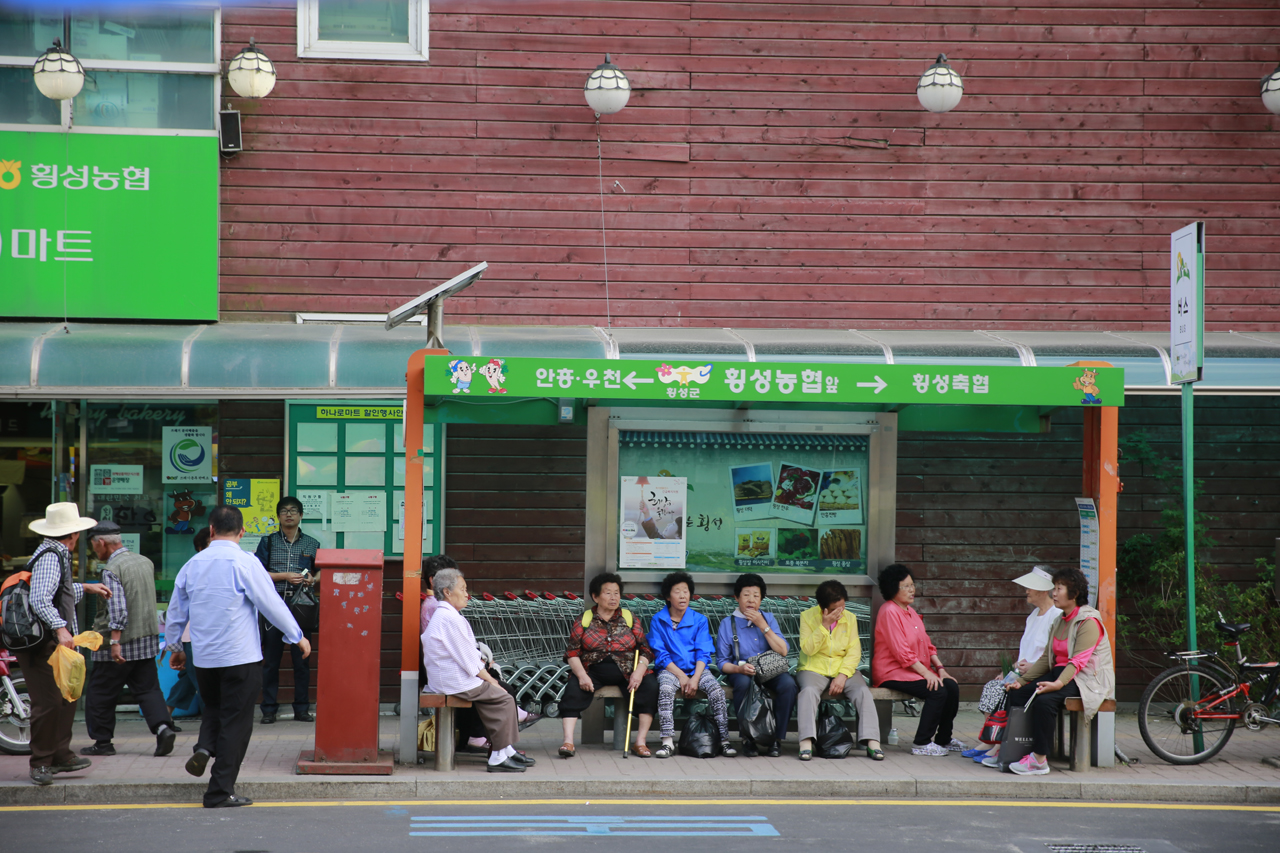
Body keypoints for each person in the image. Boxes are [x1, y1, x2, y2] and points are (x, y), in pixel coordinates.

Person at [166, 505, 310, 808]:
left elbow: (176, 610)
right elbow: (270, 602)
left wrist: (175, 647)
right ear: (242, 532)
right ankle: (219, 791)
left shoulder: (193, 563)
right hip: (240, 657)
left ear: (212, 529)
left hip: (204, 659)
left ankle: (205, 747)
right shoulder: (245, 562)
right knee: (237, 723)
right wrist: (296, 636)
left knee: (215, 709)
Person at [16, 503, 112, 786]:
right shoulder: (51, 556)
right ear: (74, 534)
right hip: (42, 643)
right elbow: (40, 599)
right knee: (48, 702)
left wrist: (87, 587)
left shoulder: (55, 554)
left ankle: (59, 754)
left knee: (65, 697)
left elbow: (58, 593)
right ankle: (41, 762)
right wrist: (60, 628)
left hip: (51, 643)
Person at [996, 566, 1116, 776]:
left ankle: (1040, 759)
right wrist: (1022, 682)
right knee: (1016, 693)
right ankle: (1013, 749)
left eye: (1060, 588)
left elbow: (1077, 662)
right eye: (1055, 588)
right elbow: (1046, 659)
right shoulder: (1059, 620)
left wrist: (1057, 684)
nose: (1054, 593)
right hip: (1060, 674)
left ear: (1075, 594)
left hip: (1084, 680)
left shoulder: (1088, 622)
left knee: (1045, 700)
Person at [80, 521, 177, 758]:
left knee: (100, 692)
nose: (95, 551)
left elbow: (118, 608)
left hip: (119, 643)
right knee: (148, 689)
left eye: (94, 546)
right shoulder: (145, 562)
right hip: (146, 639)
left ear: (101, 542)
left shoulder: (111, 569)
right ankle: (163, 728)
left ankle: (103, 743)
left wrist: (114, 642)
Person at [422, 568, 532, 773]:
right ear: (447, 592)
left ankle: (505, 750)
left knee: (501, 695)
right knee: (504, 697)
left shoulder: (445, 615)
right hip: (453, 681)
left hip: (448, 678)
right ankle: (499, 756)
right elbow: (469, 659)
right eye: (462, 589)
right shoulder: (449, 618)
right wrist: (490, 680)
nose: (466, 594)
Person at [964, 566, 1062, 763]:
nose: (1026, 590)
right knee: (992, 687)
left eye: (1030, 587)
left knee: (1005, 691)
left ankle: (1000, 744)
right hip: (1022, 671)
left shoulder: (1056, 615)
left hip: (1040, 673)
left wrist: (1031, 667)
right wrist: (1008, 671)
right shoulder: (1032, 616)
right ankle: (992, 739)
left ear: (1043, 590)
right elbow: (1024, 652)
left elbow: (1052, 654)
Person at [558, 572, 659, 758]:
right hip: (593, 669)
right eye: (608, 593)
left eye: (617, 593)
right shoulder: (584, 619)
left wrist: (639, 672)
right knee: (573, 690)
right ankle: (568, 742)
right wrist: (581, 675)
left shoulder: (629, 618)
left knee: (650, 686)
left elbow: (645, 650)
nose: (614, 597)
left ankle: (640, 742)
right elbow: (572, 653)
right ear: (596, 597)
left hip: (628, 670)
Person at [872, 563, 963, 756]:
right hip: (892, 671)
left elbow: (927, 644)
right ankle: (921, 743)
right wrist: (926, 674)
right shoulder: (889, 611)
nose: (912, 589)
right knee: (937, 690)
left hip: (913, 670)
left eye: (912, 585)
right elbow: (901, 652)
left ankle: (943, 740)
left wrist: (940, 669)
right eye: (906, 586)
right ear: (892, 588)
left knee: (951, 687)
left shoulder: (911, 612)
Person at [647, 571, 737, 759]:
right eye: (677, 591)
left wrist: (695, 678)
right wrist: (681, 676)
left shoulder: (699, 620)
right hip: (670, 670)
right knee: (664, 689)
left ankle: (724, 741)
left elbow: (703, 652)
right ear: (667, 596)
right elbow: (660, 654)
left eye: (686, 591)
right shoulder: (658, 620)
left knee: (717, 691)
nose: (682, 596)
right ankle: (667, 742)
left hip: (697, 670)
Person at [796, 579, 883, 761]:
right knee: (808, 692)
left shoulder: (850, 618)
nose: (841, 611)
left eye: (843, 606)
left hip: (843, 669)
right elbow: (808, 649)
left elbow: (854, 651)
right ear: (823, 608)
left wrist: (843, 675)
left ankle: (873, 742)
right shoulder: (807, 616)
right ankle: (806, 742)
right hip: (813, 668)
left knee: (862, 691)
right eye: (836, 608)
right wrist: (824, 626)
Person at [715, 572, 797, 757]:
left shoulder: (768, 618)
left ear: (761, 599)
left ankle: (776, 739)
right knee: (743, 684)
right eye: (746, 595)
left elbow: (783, 650)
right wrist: (738, 669)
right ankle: (748, 738)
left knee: (788, 685)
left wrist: (763, 626)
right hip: (741, 670)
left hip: (769, 670)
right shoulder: (728, 624)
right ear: (736, 597)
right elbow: (722, 663)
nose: (751, 600)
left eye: (756, 596)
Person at [253, 496, 320, 724]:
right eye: (284, 511)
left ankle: (302, 708)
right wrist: (283, 576)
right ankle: (269, 709)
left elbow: (320, 572)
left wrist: (313, 579)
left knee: (301, 661)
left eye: (293, 511)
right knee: (271, 661)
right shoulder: (268, 542)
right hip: (273, 606)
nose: (289, 514)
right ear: (278, 516)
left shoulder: (312, 543)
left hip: (300, 607)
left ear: (300, 515)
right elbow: (258, 573)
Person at [165, 526, 210, 727]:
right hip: (192, 637)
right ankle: (211, 724)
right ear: (200, 548)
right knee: (201, 682)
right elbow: (178, 611)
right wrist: (176, 644)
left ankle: (164, 716)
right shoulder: (193, 570)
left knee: (188, 680)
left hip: (196, 637)